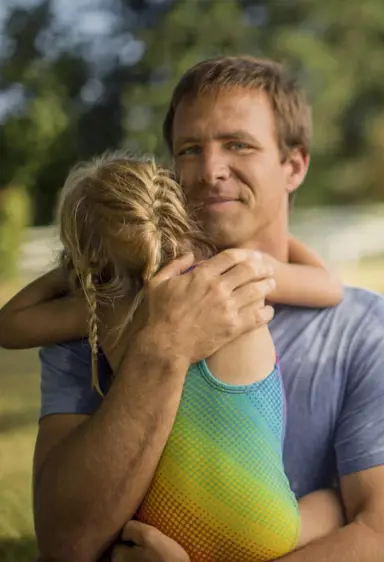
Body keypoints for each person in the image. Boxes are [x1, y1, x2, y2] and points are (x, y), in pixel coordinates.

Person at [26, 55, 384, 562]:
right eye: (190, 150)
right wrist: (162, 350)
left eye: (239, 144)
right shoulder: (108, 306)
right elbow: (66, 544)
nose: (210, 171)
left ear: (294, 165)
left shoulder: (363, 328)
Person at [0, 152, 348, 561]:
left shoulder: (100, 308)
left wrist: (81, 266)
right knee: (334, 502)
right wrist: (267, 251)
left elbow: (9, 324)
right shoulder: (226, 278)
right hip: (264, 527)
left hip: (164, 529)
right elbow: (329, 287)